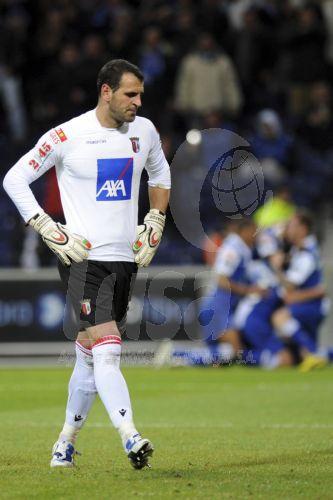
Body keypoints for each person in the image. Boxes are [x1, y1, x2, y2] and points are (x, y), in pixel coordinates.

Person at [3, 59, 171, 469]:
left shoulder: (144, 131)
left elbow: (160, 175)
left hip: (124, 258)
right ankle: (131, 437)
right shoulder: (68, 135)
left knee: (89, 355)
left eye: (141, 95)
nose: (137, 102)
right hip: (82, 258)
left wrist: (155, 218)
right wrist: (44, 224)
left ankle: (65, 442)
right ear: (106, 91)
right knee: (109, 350)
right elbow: (13, 179)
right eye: (130, 94)